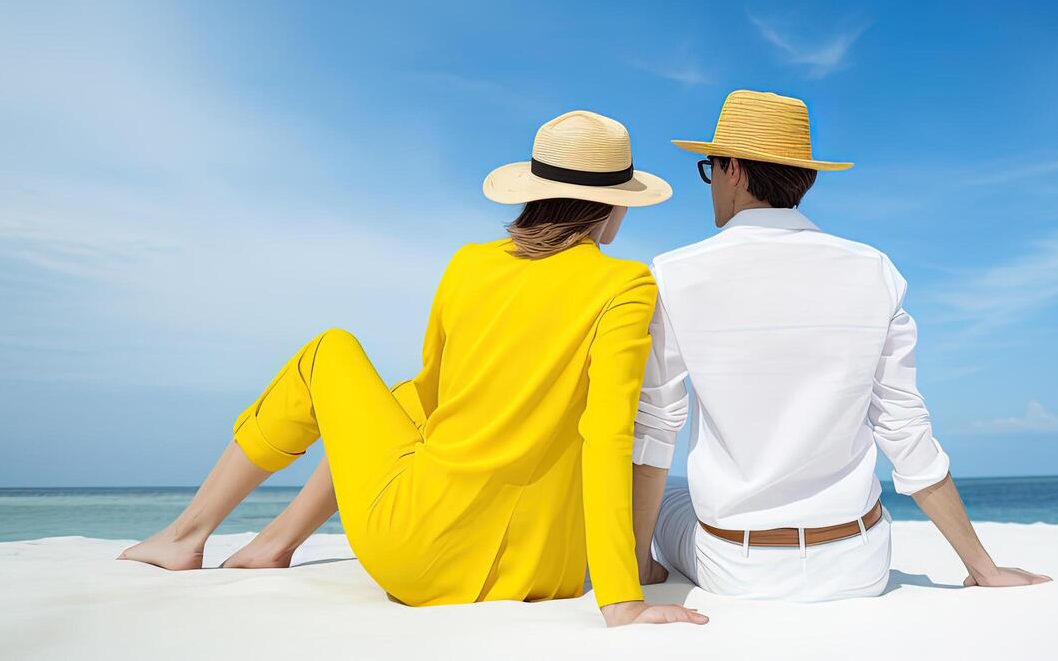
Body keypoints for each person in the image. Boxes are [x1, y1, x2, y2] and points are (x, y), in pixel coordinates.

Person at [119, 110, 708, 628]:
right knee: (402, 398)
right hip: (542, 571)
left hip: (418, 556)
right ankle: (273, 542)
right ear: (613, 205)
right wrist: (619, 596)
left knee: (330, 352)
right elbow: (608, 434)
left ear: (532, 191)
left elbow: (436, 397)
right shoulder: (625, 284)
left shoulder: (470, 266)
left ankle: (187, 535)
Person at [629, 89, 1051, 600]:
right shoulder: (874, 270)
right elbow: (904, 428)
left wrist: (637, 566)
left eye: (709, 169)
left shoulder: (675, 275)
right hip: (858, 562)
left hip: (739, 566)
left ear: (734, 170)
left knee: (674, 494)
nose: (711, 184)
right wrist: (982, 567)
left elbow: (657, 426)